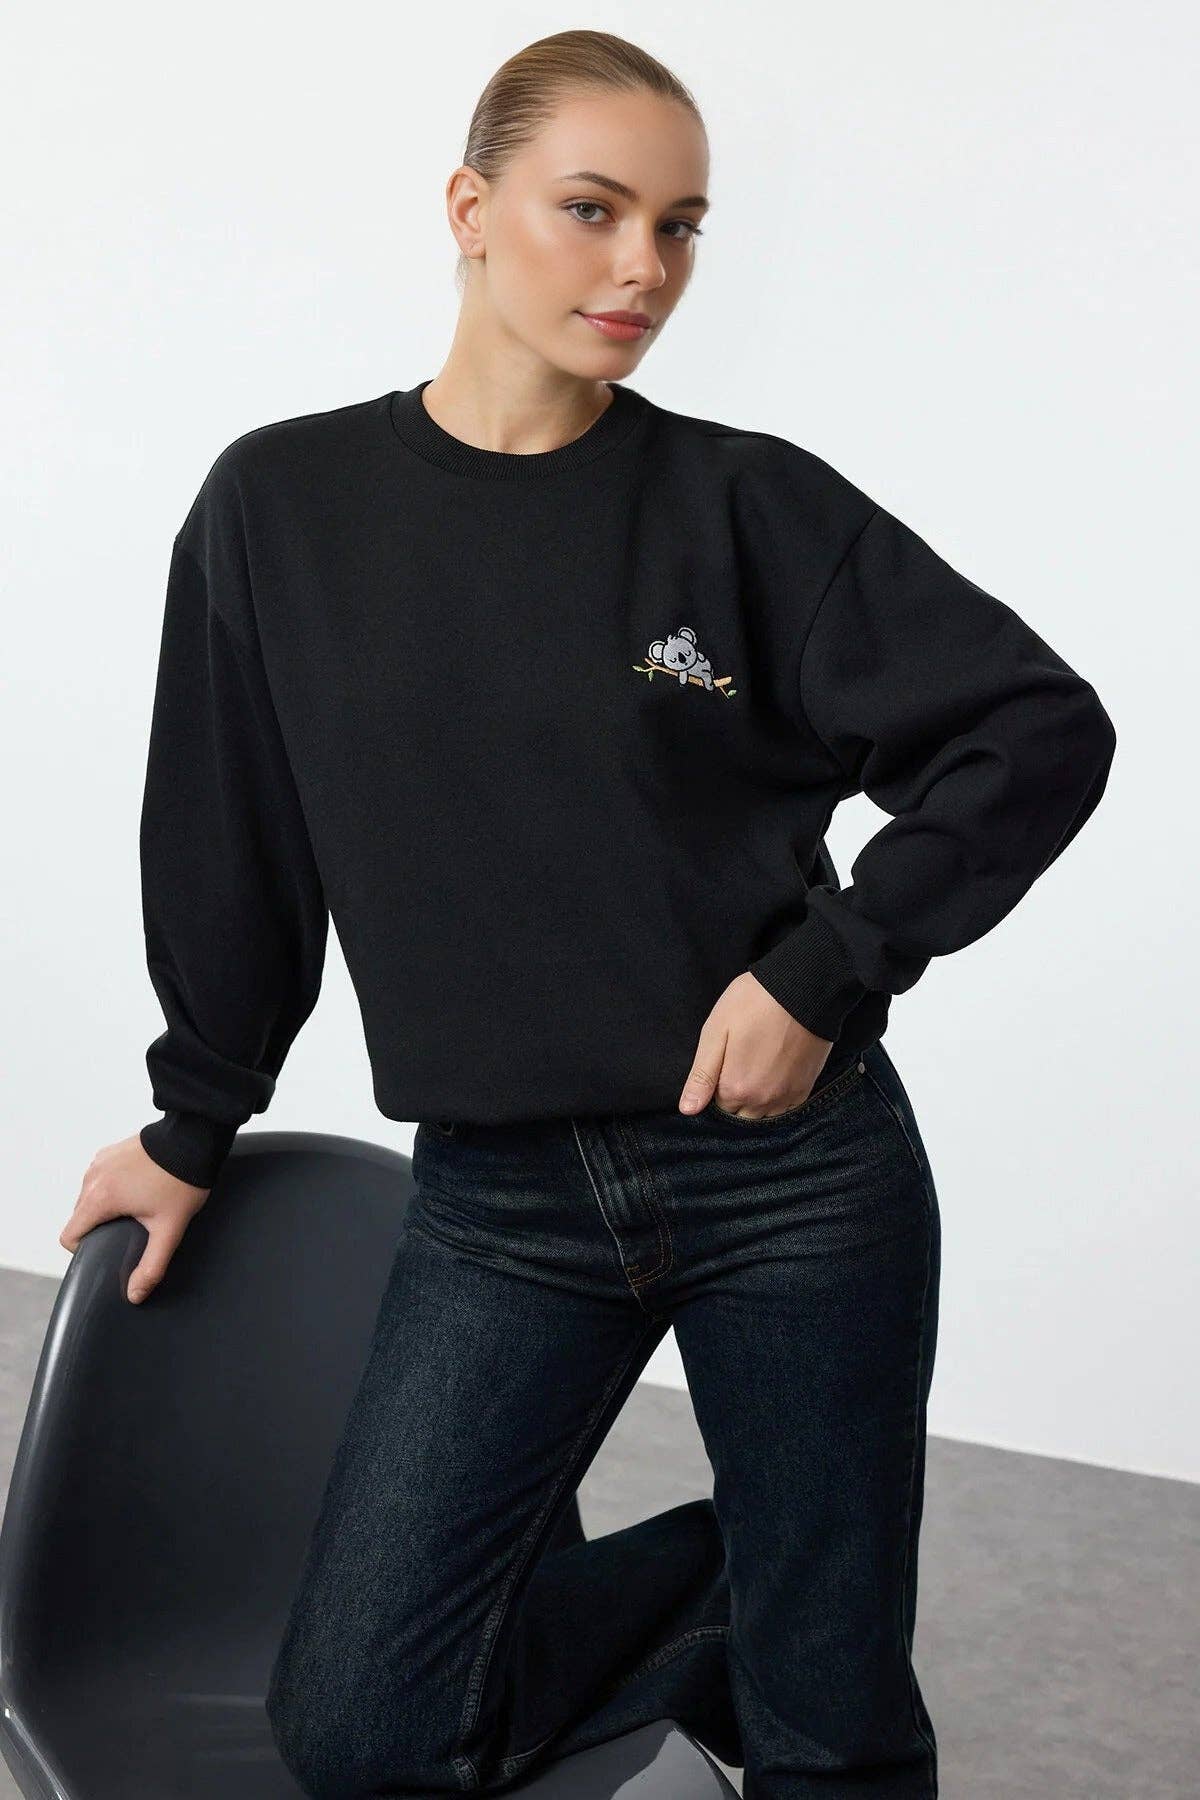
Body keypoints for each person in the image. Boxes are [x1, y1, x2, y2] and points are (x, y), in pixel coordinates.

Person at [59, 28, 1116, 1800]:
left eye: (681, 226)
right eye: (594, 209)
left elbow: (1036, 730)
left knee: (833, 1735)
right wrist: (191, 1117)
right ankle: (763, 1582)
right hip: (504, 1203)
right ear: (470, 209)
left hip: (795, 1178)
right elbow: (234, 845)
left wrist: (829, 971)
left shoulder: (744, 505)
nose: (645, 268)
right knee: (365, 1728)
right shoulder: (281, 508)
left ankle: (810, 1601)